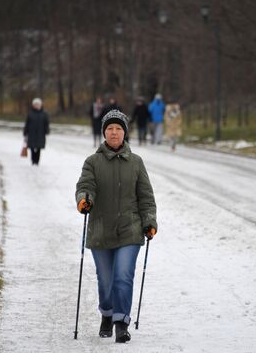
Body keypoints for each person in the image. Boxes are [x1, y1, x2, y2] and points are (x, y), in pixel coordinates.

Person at [75, 108, 157, 343]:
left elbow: (146, 197)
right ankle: (107, 314)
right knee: (106, 279)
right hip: (100, 230)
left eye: (118, 129)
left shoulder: (136, 162)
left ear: (124, 133)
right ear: (104, 133)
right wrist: (84, 199)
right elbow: (85, 186)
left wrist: (149, 221)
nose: (114, 132)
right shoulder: (92, 162)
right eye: (110, 128)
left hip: (130, 230)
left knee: (123, 276)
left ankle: (121, 322)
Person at [23, 97, 50, 166]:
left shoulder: (44, 114)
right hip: (31, 133)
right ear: (33, 105)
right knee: (32, 148)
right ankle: (33, 160)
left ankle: (37, 161)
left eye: (38, 104)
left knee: (38, 148)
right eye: (35, 104)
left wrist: (47, 131)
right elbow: (27, 124)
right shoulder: (30, 114)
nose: (37, 105)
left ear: (40, 105)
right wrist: (25, 132)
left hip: (40, 134)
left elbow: (46, 123)